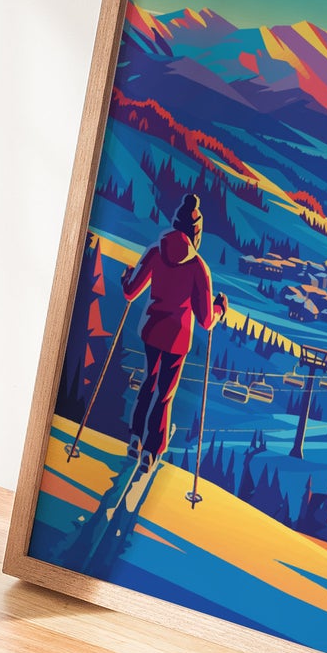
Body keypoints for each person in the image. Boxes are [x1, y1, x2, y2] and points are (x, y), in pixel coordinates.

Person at [122, 193, 227, 462]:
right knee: (165, 394)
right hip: (177, 338)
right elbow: (205, 320)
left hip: (151, 328)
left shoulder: (156, 251)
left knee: (148, 381)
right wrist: (220, 309)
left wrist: (125, 277)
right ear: (196, 232)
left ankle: (135, 436)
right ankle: (151, 450)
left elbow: (131, 291)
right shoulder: (198, 267)